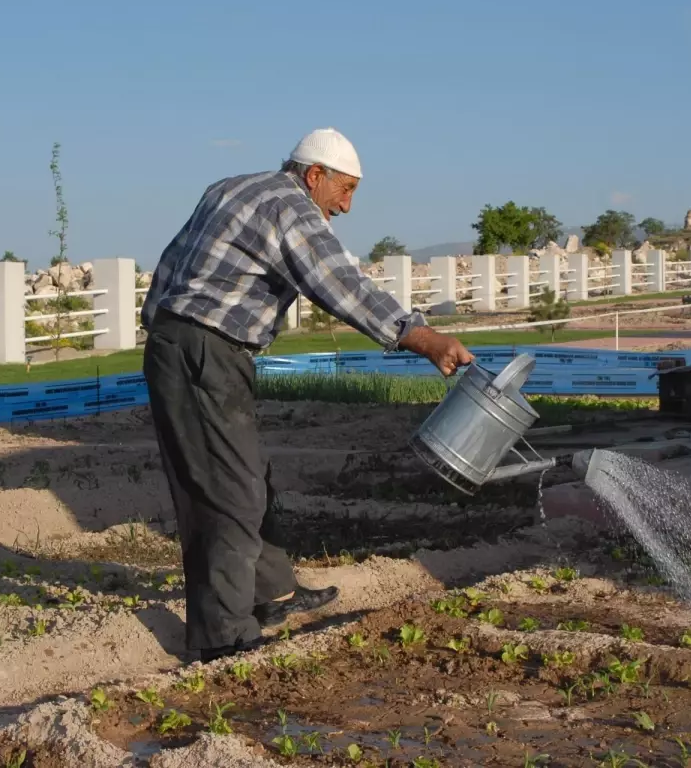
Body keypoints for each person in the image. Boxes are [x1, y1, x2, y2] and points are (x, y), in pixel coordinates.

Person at [140, 128, 474, 663]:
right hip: (204, 350)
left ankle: (274, 594)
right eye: (345, 190)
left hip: (186, 344)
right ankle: (222, 637)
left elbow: (172, 262)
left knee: (246, 474)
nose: (346, 205)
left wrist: (163, 333)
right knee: (225, 493)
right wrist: (423, 337)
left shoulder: (230, 188)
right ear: (314, 175)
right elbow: (341, 284)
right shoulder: (290, 208)